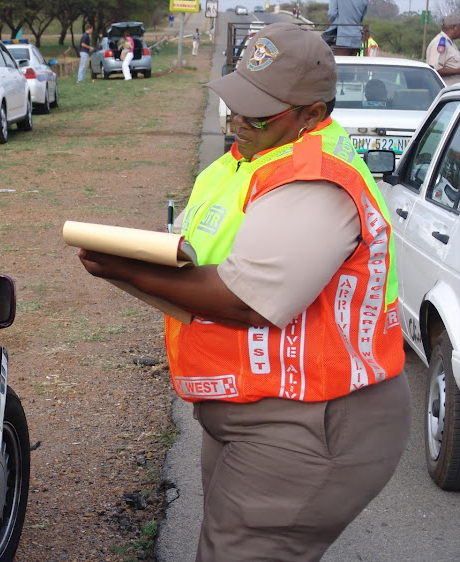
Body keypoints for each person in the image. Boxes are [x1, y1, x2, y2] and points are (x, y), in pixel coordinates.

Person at [75, 23, 409, 560]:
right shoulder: (243, 160)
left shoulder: (316, 181)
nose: (238, 120)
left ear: (313, 116)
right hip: (252, 408)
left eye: (259, 113)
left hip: (309, 420)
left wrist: (129, 273)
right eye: (236, 103)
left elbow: (246, 300)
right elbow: (195, 247)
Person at [426, 14, 460, 86]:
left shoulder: (450, 43)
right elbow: (435, 70)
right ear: (454, 27)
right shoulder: (440, 43)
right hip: (446, 91)